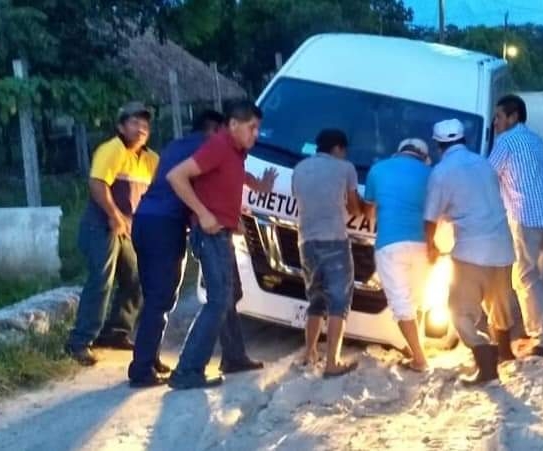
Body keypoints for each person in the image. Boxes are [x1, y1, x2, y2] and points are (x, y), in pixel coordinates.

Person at [127, 110, 274, 388]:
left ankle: (230, 355)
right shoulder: (212, 145)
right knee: (167, 297)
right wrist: (206, 214)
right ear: (219, 128)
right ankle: (147, 368)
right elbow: (186, 177)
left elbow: (228, 176)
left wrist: (242, 202)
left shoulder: (178, 145)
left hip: (146, 218)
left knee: (207, 294)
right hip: (166, 222)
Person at [424, 119, 517, 386]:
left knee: (459, 311)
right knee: (499, 302)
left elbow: (430, 219)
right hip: (502, 246)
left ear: (439, 144)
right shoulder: (484, 164)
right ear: (463, 140)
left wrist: (430, 249)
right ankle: (506, 352)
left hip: (471, 252)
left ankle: (485, 358)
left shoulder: (441, 173)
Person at [65, 102, 158, 366]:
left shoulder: (150, 159)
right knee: (101, 281)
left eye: (145, 124)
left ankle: (116, 331)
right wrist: (114, 215)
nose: (141, 129)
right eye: (134, 123)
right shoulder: (112, 149)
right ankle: (79, 341)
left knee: (136, 278)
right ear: (120, 126)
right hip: (101, 224)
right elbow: (97, 184)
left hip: (125, 227)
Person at [489, 94, 543, 358]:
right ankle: (539, 330)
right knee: (536, 278)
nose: (495, 123)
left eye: (498, 117)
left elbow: (488, 175)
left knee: (524, 277)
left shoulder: (505, 142)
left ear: (513, 116)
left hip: (524, 217)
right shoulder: (537, 140)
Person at [292, 129, 366, 378]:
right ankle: (332, 363)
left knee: (315, 299)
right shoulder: (345, 168)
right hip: (334, 240)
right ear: (338, 148)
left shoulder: (300, 168)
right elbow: (354, 208)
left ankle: (309, 353)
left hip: (306, 242)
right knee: (338, 301)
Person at [363, 138, 432, 372]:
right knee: (417, 299)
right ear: (423, 156)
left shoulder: (378, 169)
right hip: (423, 244)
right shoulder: (430, 173)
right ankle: (417, 348)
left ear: (399, 152)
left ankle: (420, 358)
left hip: (390, 243)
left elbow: (368, 212)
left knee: (401, 303)